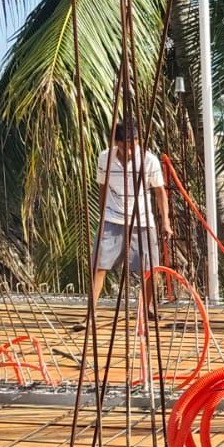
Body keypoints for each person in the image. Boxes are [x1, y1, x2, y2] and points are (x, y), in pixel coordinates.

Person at [82, 119, 171, 329]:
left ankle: (147, 307)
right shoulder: (105, 158)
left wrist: (165, 222)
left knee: (150, 268)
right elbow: (102, 187)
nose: (128, 152)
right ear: (116, 143)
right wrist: (103, 213)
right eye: (123, 147)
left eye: (132, 147)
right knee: (99, 266)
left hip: (142, 220)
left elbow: (160, 193)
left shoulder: (149, 161)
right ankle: (90, 314)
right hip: (112, 218)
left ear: (139, 142)